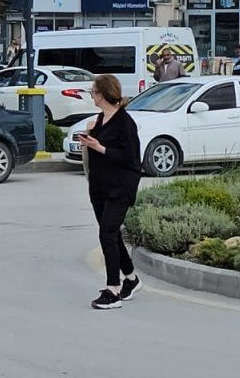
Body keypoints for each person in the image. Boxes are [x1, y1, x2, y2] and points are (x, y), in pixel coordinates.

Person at [78, 74, 144, 310]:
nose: (92, 96)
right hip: (99, 187)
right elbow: (97, 148)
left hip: (120, 187)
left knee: (107, 233)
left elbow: (130, 158)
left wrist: (100, 147)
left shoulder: (125, 123)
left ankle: (112, 289)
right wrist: (89, 138)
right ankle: (131, 278)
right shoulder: (99, 119)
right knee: (112, 233)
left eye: (93, 92)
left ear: (103, 94)